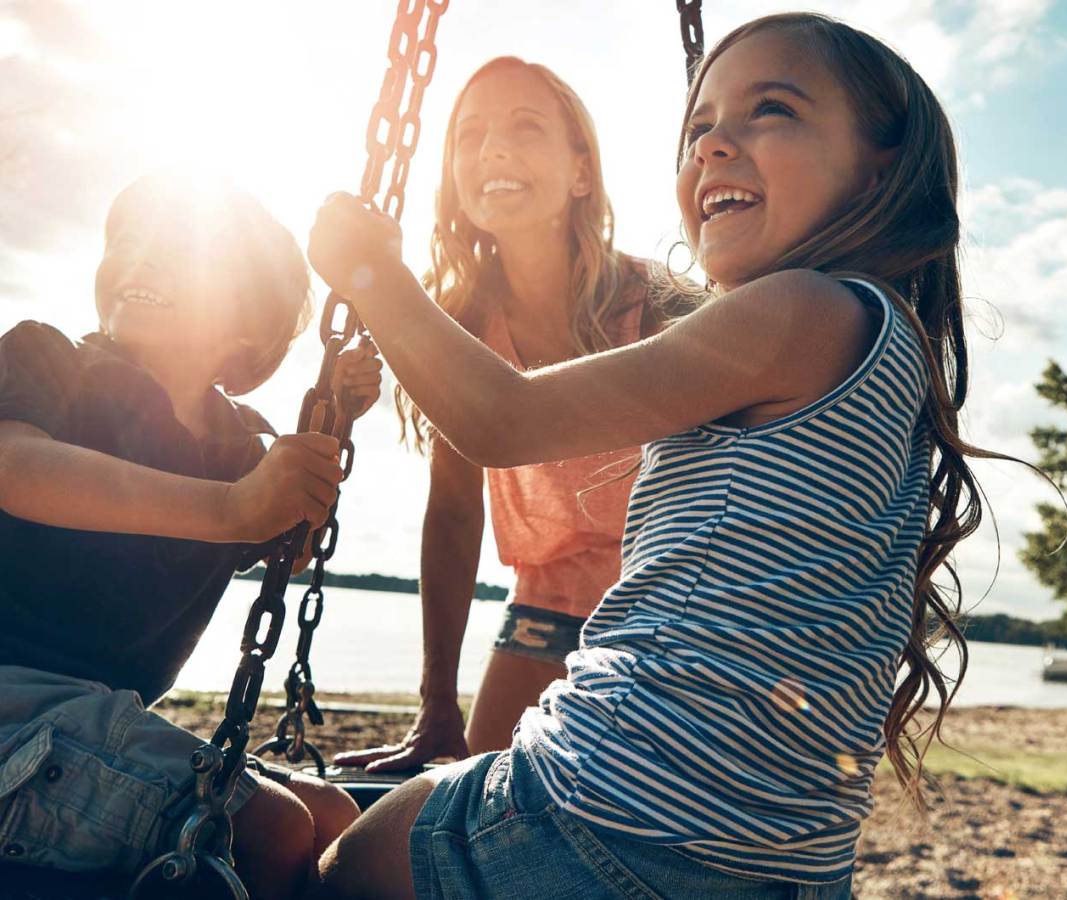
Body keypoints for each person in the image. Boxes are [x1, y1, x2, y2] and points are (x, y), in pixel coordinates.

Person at [309, 12, 998, 899]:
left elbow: (500, 418)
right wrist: (438, 696)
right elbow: (459, 493)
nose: (715, 145)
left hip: (622, 811)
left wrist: (369, 275)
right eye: (700, 126)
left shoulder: (793, 310)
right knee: (402, 799)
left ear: (880, 164)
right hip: (777, 860)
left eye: (772, 110)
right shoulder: (880, 337)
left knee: (344, 865)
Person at [0, 173, 379, 899]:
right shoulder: (48, 362)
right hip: (12, 702)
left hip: (95, 719)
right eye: (127, 241)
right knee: (270, 830)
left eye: (177, 249)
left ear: (248, 321)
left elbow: (287, 547)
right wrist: (231, 508)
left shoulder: (239, 447)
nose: (138, 258)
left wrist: (330, 424)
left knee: (333, 818)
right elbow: (16, 468)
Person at [336, 57, 689, 772]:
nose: (492, 148)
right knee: (457, 801)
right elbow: (457, 512)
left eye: (525, 127)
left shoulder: (655, 306)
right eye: (469, 135)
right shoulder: (461, 325)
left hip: (665, 611)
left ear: (581, 172)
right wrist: (438, 703)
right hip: (542, 611)